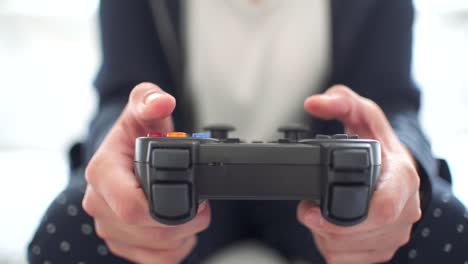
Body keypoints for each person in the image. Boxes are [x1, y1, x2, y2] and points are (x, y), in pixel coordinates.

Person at [29, 0, 468, 263]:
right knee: (68, 227)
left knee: (441, 225)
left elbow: (390, 101)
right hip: (183, 191)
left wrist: (401, 163)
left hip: (326, 193)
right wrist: (115, 158)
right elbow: (122, 96)